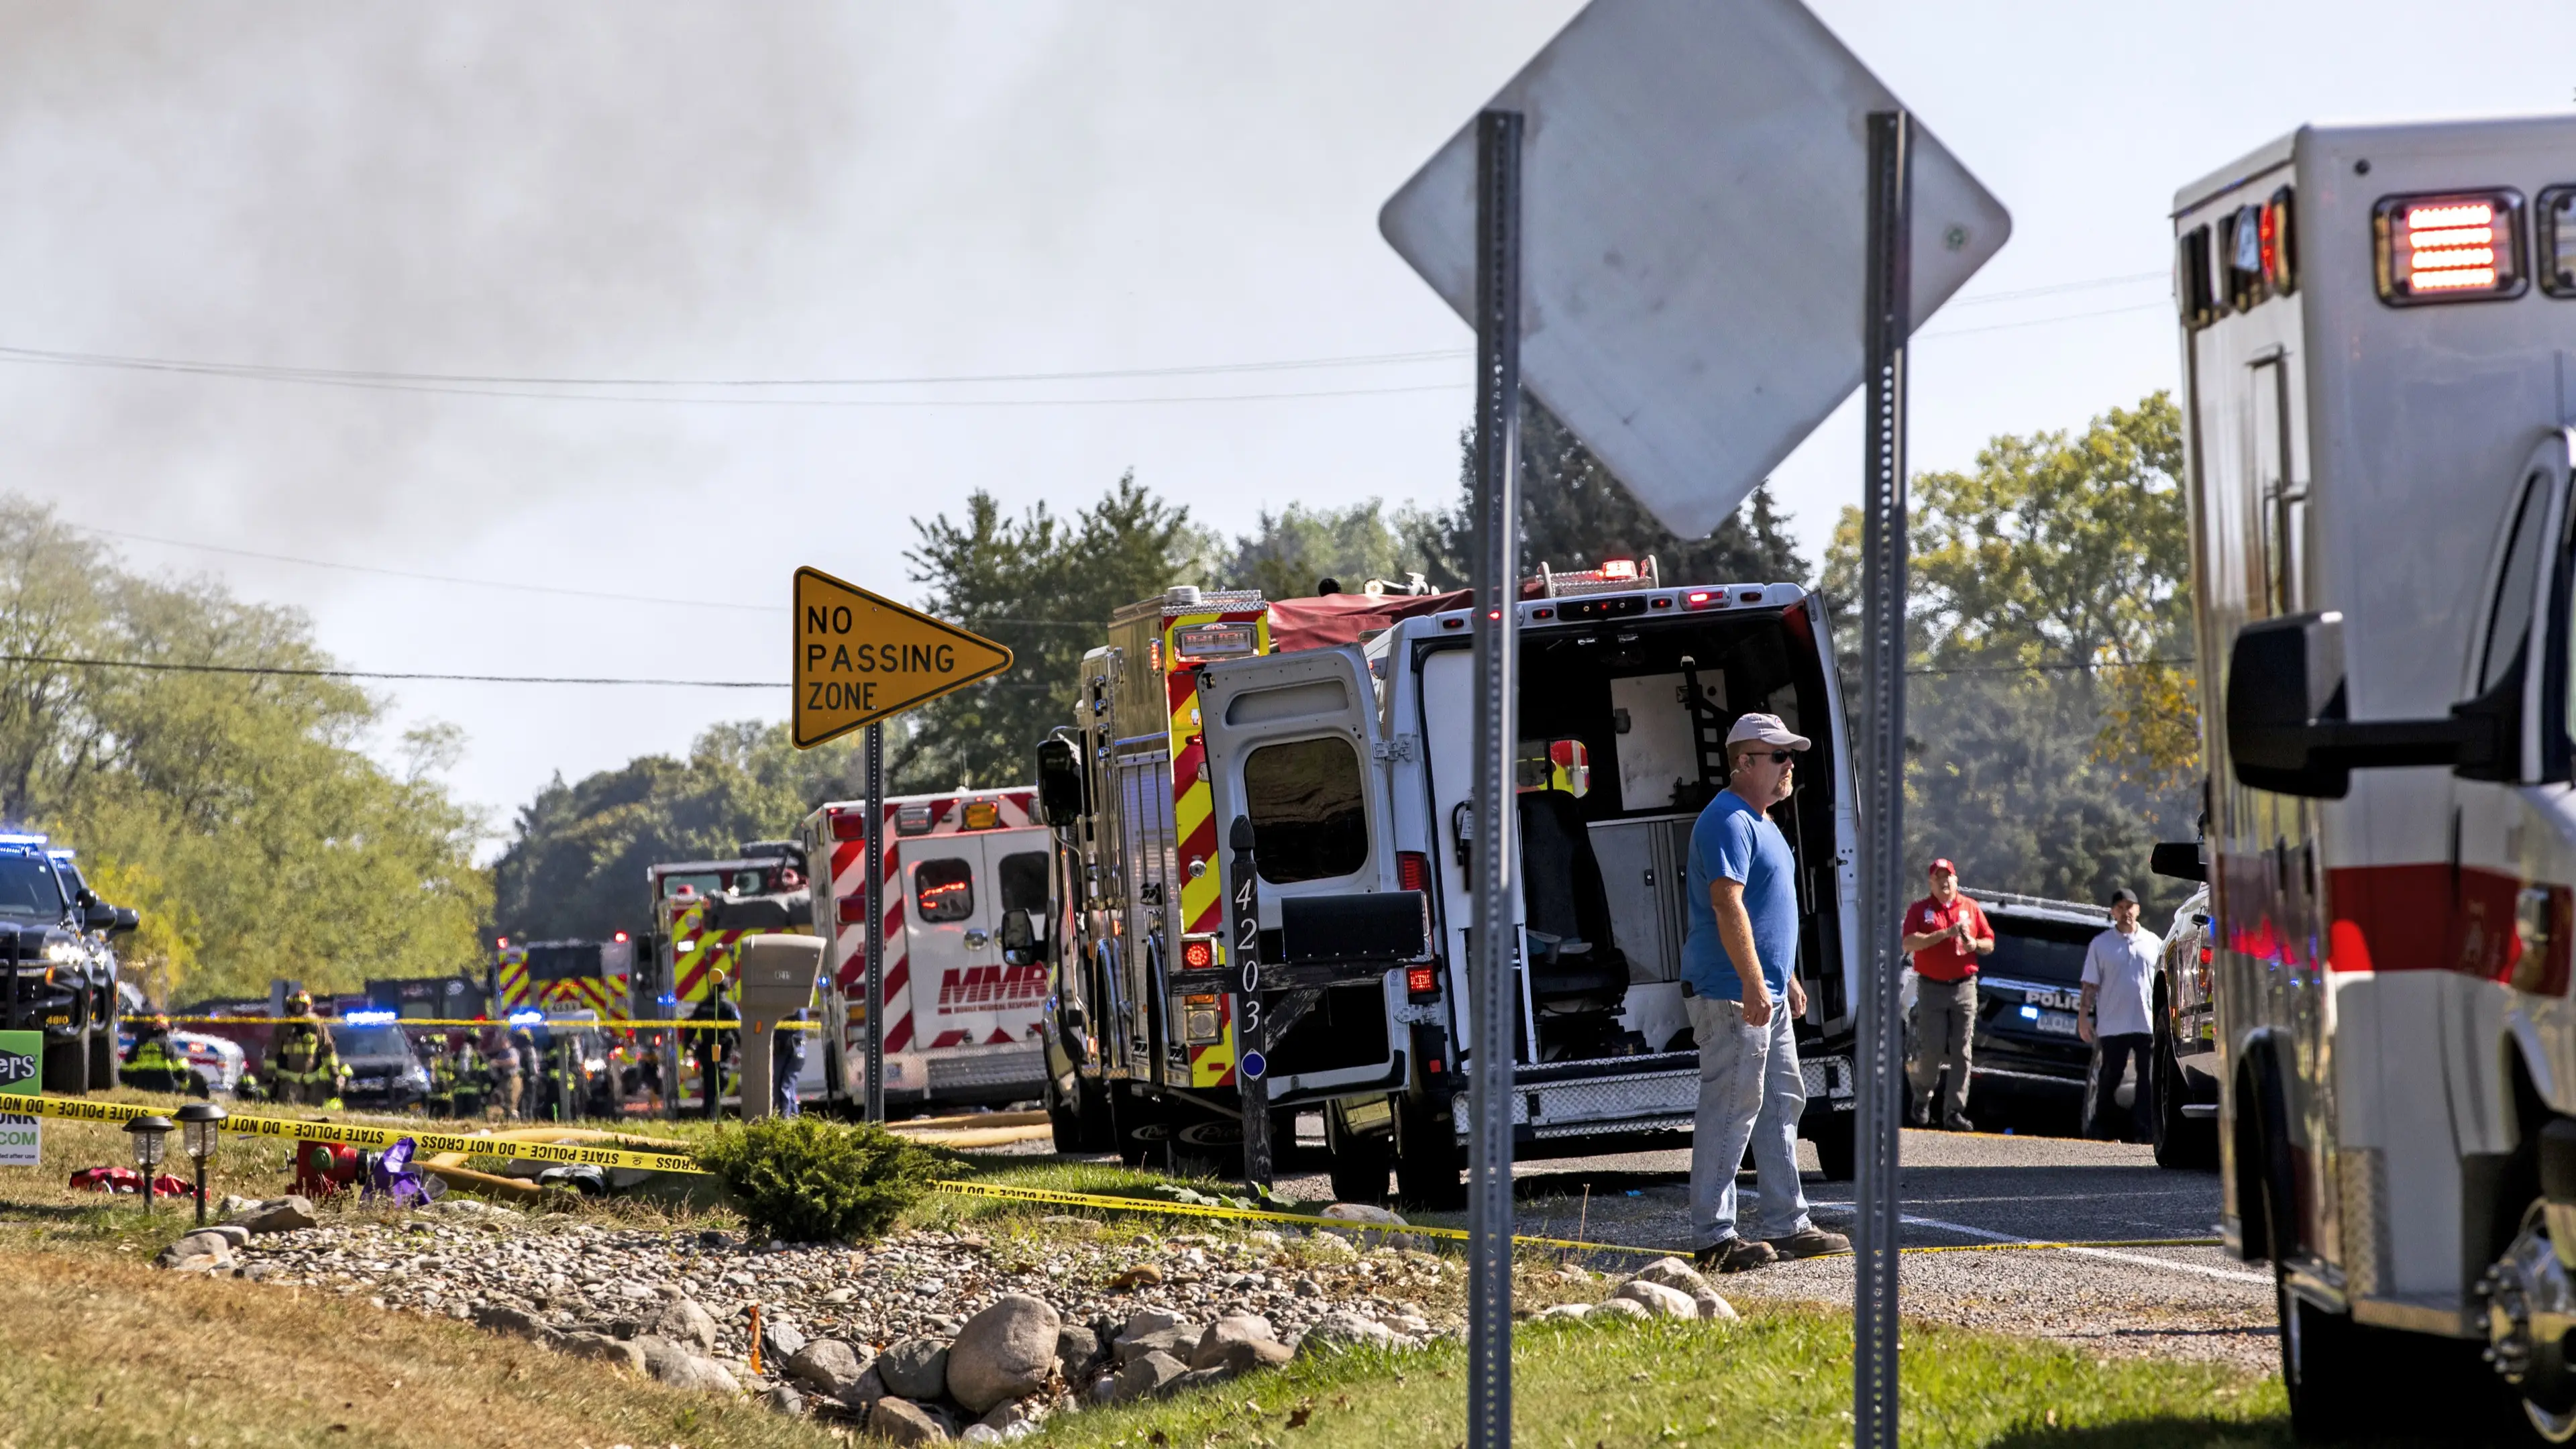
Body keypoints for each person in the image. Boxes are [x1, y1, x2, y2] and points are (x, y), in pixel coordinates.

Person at [1683, 712, 1851, 1273]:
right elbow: (1728, 904)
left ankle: (1788, 1223)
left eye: (1790, 756)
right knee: (1731, 1109)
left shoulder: (1762, 820)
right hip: (1733, 993)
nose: (1789, 766)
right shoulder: (1727, 820)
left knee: (1781, 1102)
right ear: (1744, 762)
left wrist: (1788, 977)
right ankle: (1714, 1238)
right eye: (1778, 756)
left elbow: (1765, 909)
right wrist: (1756, 982)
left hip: (1764, 992)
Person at [1901, 859, 1994, 1132]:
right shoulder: (1920, 910)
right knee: (1931, 1050)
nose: (1944, 882)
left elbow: (1989, 942)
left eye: (1948, 877)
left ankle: (1954, 1111)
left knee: (1962, 1052)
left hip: (1964, 987)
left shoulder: (1971, 908)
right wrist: (1944, 934)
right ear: (1931, 883)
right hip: (1931, 988)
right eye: (1938, 877)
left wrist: (1974, 943)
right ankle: (1921, 1097)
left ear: (1956, 880)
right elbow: (1909, 942)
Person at [2080, 887, 2165, 1142]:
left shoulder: (2153, 942)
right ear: (2112, 911)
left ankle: (2145, 1131)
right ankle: (2100, 1128)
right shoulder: (2101, 944)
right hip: (2113, 1024)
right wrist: (2083, 1016)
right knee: (2111, 1075)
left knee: (2147, 1078)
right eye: (2120, 907)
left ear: (2138, 910)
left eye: (2130, 907)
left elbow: (2163, 981)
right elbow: (2090, 985)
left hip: (2146, 1022)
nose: (2125, 912)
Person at [264, 991, 344, 1108]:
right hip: (288, 1082)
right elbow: (272, 1053)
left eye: (301, 1006)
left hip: (314, 1082)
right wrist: (268, 1079)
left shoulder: (317, 1024)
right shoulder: (282, 1027)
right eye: (295, 1006)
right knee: (288, 1115)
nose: (298, 1009)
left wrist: (335, 1073)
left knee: (314, 1115)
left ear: (308, 1007)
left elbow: (328, 1050)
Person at [692, 967, 741, 1119]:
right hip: (722, 1050)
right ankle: (713, 1117)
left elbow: (692, 1025)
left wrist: (688, 1044)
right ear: (726, 988)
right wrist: (743, 1045)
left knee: (709, 1084)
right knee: (720, 1083)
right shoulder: (728, 1006)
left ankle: (708, 1115)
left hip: (706, 1050)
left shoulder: (703, 1005)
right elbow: (736, 1028)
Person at [123, 1014, 205, 1097]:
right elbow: (182, 1067)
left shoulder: (137, 1047)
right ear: (164, 1030)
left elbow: (124, 1069)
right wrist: (183, 1087)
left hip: (140, 1091)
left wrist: (126, 1088)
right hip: (165, 1090)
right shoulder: (168, 1047)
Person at [773, 1008, 806, 1118]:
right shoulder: (800, 1008)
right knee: (788, 1086)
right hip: (795, 1050)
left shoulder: (793, 1008)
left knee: (784, 1087)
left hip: (789, 1050)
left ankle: (785, 1118)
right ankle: (792, 1116)